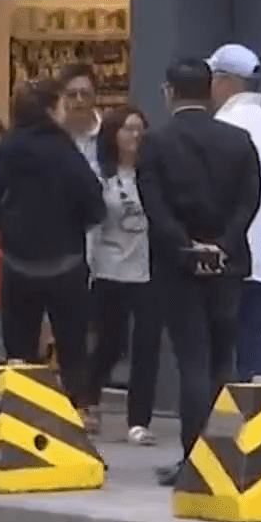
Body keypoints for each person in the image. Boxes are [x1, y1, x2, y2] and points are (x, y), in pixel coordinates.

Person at [136, 58, 261, 486]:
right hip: (229, 266)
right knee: (221, 361)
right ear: (210, 91)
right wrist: (224, 244)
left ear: (170, 91)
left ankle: (195, 456)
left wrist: (187, 248)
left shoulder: (156, 143)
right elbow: (250, 200)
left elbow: (154, 205)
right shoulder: (238, 141)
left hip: (179, 267)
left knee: (191, 360)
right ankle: (224, 453)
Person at [0, 80, 104, 409]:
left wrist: (5, 222)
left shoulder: (8, 149)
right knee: (72, 347)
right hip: (67, 261)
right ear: (50, 110)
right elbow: (95, 205)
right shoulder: (65, 150)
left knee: (19, 349)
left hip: (19, 262)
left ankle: (20, 412)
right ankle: (77, 411)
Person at [207, 44, 261, 383]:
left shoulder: (221, 127)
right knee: (253, 345)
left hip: (226, 254)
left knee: (218, 354)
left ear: (226, 82)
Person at [87, 105, 160, 445]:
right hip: (108, 268)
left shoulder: (153, 174)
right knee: (111, 343)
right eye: (128, 129)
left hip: (147, 270)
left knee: (147, 344)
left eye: (139, 129)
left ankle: (139, 420)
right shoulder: (101, 175)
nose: (135, 136)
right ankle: (88, 394)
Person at [59, 62, 101, 163]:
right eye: (72, 94)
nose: (79, 99)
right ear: (61, 98)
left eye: (85, 94)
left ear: (95, 96)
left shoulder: (110, 134)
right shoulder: (52, 136)